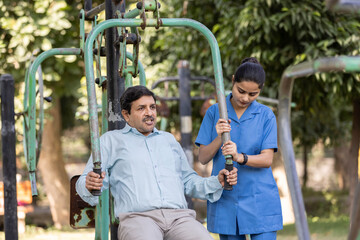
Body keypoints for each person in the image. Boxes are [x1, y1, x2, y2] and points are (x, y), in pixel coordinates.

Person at [76, 85, 238, 240]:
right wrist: (90, 184)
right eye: (141, 108)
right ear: (126, 115)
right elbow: (84, 180)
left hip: (179, 218)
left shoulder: (168, 140)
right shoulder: (111, 141)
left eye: (152, 107)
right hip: (138, 218)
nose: (149, 113)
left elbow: (188, 180)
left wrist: (217, 181)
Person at [195, 57, 283, 240]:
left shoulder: (266, 115)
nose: (245, 98)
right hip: (227, 198)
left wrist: (239, 156)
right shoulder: (215, 112)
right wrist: (219, 138)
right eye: (241, 91)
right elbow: (203, 157)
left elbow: (267, 159)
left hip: (260, 198)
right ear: (233, 80)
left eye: (253, 94)